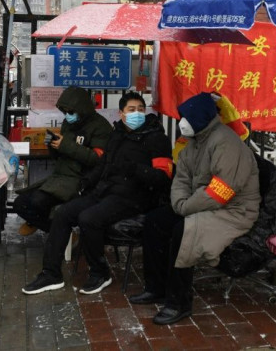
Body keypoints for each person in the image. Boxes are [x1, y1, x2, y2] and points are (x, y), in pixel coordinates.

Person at [128, 92, 261, 325]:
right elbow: (181, 177)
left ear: (200, 119)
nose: (182, 123)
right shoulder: (193, 143)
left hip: (232, 211)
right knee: (156, 221)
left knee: (184, 231)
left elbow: (221, 191)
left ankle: (179, 302)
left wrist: (185, 207)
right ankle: (156, 287)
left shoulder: (227, 143)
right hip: (199, 204)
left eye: (186, 118)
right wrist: (180, 204)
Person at [22, 91, 173, 295]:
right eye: (131, 109)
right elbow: (103, 164)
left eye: (140, 109)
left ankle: (100, 272)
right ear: (121, 113)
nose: (136, 113)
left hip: (135, 197)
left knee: (88, 218)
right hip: (106, 190)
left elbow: (163, 177)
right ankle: (51, 273)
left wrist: (136, 169)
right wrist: (87, 183)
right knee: (63, 213)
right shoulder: (117, 135)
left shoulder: (157, 139)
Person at [14, 86, 112, 236]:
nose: (68, 116)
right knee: (20, 203)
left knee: (37, 202)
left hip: (80, 181)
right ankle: (58, 230)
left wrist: (65, 145)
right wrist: (53, 145)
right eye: (65, 112)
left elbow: (96, 159)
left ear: (82, 108)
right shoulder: (69, 123)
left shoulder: (101, 127)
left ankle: (58, 231)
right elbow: (61, 156)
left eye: (71, 112)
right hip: (59, 178)